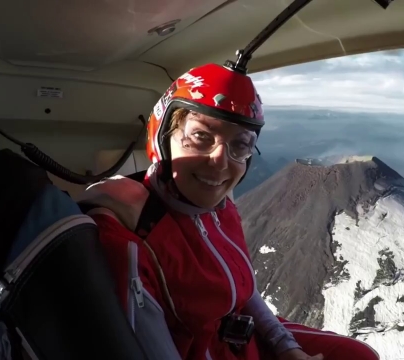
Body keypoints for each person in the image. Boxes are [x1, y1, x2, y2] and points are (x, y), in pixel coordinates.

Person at [77, 63, 380, 360]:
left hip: (238, 342)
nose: (221, 162)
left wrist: (286, 347)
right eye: (201, 136)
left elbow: (243, 293)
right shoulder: (128, 233)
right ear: (163, 134)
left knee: (359, 355)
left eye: (240, 145)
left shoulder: (220, 209)